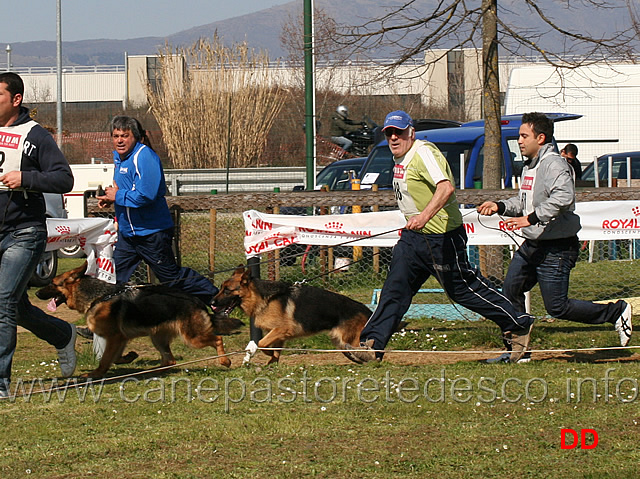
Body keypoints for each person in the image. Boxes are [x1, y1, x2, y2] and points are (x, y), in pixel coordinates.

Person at [345, 110, 535, 364]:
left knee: (463, 290)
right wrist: (417, 222)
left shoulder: (424, 152)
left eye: (398, 132)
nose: (393, 137)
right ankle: (372, 345)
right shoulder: (400, 158)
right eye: (389, 133)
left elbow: (446, 187)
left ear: (410, 133)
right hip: (413, 238)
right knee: (395, 289)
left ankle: (518, 323)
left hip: (442, 237)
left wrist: (423, 217)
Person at [478, 112, 632, 355]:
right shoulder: (532, 164)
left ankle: (616, 312)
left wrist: (530, 218)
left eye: (523, 136)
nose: (519, 140)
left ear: (540, 138)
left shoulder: (554, 164)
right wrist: (500, 206)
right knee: (511, 290)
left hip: (557, 247)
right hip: (533, 245)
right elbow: (524, 201)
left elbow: (563, 197)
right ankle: (519, 350)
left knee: (557, 307)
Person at [90, 116, 219, 357]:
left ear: (136, 137)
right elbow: (126, 193)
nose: (119, 140)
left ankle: (216, 298)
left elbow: (145, 195)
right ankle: (108, 329)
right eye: (116, 136)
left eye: (124, 136)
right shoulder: (120, 159)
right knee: (113, 279)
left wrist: (117, 196)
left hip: (152, 234)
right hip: (129, 235)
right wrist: (111, 199)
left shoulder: (144, 157)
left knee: (172, 279)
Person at [0, 72, 77, 397]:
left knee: (2, 302)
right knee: (14, 308)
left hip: (25, 232)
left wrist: (27, 178)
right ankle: (62, 335)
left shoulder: (35, 136)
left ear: (16, 99)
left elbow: (64, 180)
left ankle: (0, 384)